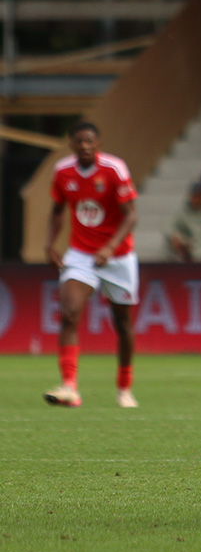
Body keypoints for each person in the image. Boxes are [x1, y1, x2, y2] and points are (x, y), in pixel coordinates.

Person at [44, 121, 140, 409]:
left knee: (123, 324)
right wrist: (50, 244)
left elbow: (131, 215)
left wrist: (110, 247)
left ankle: (124, 387)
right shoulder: (62, 172)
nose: (85, 146)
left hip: (118, 256)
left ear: (98, 144)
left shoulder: (114, 169)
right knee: (69, 314)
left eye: (90, 141)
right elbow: (57, 210)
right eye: (79, 141)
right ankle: (69, 387)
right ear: (71, 144)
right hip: (81, 254)